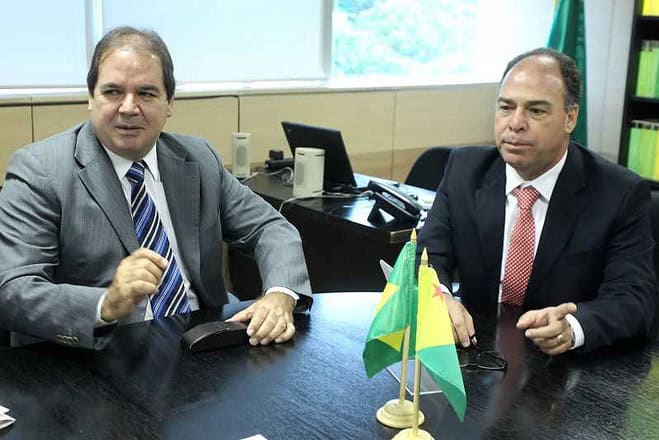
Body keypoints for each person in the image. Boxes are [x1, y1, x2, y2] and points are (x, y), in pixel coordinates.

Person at [0, 27, 312, 350]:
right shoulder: (41, 169)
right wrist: (105, 304)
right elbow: (11, 289)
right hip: (98, 354)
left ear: (169, 103)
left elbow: (270, 227)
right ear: (91, 98)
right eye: (113, 92)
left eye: (146, 94)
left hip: (205, 340)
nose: (128, 108)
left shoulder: (199, 158)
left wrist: (280, 294)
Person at [418, 48, 657, 355]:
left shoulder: (619, 193)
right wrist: (439, 298)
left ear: (570, 118)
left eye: (536, 111)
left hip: (566, 366)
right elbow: (427, 257)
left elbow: (634, 299)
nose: (515, 123)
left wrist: (573, 327)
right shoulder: (465, 170)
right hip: (475, 351)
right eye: (506, 107)